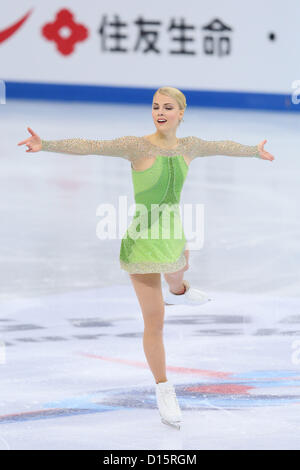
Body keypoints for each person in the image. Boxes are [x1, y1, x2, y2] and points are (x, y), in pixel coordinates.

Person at [17, 86, 275, 429]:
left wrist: (253, 152)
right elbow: (93, 147)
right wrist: (46, 144)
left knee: (180, 269)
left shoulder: (190, 146)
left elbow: (220, 147)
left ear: (181, 113)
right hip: (141, 241)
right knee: (155, 323)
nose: (160, 112)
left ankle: (180, 291)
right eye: (156, 107)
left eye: (168, 107)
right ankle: (163, 387)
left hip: (174, 233)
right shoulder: (136, 146)